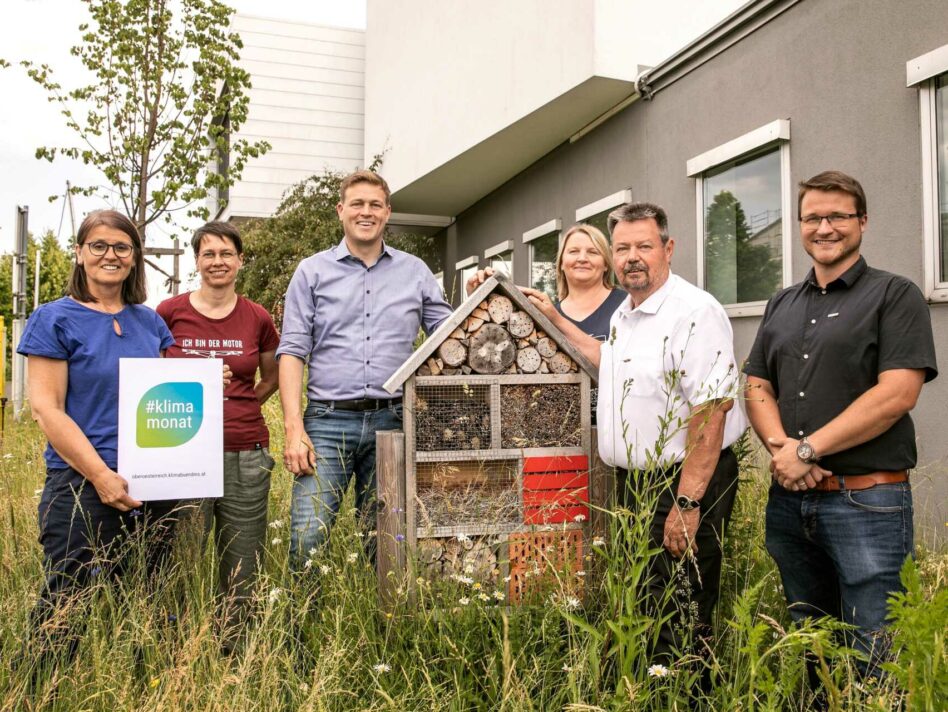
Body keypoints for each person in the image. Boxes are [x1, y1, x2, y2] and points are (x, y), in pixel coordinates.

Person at [522, 202, 747, 666]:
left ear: (668, 248)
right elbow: (609, 361)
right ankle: (651, 686)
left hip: (683, 481)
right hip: (637, 483)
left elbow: (711, 412)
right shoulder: (627, 312)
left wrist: (686, 503)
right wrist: (556, 318)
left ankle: (685, 689)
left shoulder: (693, 312)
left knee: (682, 601)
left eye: (644, 246)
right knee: (647, 597)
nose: (632, 257)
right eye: (623, 247)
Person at [744, 170, 937, 679]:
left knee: (878, 655)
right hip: (790, 503)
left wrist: (805, 452)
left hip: (865, 502)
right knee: (815, 651)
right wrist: (783, 449)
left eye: (837, 216)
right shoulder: (782, 302)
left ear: (863, 222)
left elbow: (897, 393)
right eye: (812, 217)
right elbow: (757, 386)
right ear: (800, 225)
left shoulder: (895, 295)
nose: (824, 227)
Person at [19, 210, 177, 662]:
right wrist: (101, 476)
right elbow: (46, 410)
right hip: (82, 485)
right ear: (80, 253)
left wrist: (206, 381)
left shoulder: (149, 323)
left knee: (145, 603)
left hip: (151, 483)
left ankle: (134, 688)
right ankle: (38, 692)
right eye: (99, 246)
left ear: (134, 258)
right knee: (65, 606)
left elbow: (162, 400)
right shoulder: (54, 319)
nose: (111, 255)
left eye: (121, 247)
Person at [277, 169, 453, 570]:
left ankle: (384, 629)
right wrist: (293, 429)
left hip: (393, 419)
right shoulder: (312, 272)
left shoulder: (415, 272)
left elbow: (448, 336)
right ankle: (299, 629)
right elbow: (292, 350)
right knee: (307, 539)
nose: (366, 212)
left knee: (387, 544)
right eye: (357, 203)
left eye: (375, 204)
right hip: (325, 422)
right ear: (341, 211)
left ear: (388, 212)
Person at [156, 221, 279, 648]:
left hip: (245, 450)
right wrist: (198, 386)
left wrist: (244, 406)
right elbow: (151, 379)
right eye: (208, 254)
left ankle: (232, 648)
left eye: (227, 253)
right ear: (197, 262)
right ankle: (178, 646)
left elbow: (272, 375)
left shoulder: (257, 316)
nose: (218, 261)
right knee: (182, 557)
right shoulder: (169, 313)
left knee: (242, 560)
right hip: (183, 453)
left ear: (240, 261)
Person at [552, 224, 626, 340]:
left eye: (592, 252)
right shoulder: (549, 317)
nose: (582, 259)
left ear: (606, 264)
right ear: (561, 262)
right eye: (574, 251)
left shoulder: (628, 305)